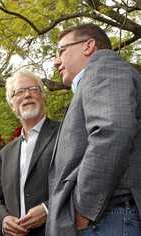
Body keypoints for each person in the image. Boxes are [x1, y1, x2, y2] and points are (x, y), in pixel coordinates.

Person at [47, 23, 141, 236]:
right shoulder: (96, 78)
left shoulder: (103, 67)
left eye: (61, 51)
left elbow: (112, 131)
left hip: (107, 219)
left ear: (88, 46)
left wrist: (84, 211)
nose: (55, 61)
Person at [0, 70, 60, 236]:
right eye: (19, 92)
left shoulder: (65, 132)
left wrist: (48, 208)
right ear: (12, 105)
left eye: (33, 89)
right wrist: (4, 221)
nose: (27, 95)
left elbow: (80, 182)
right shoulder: (4, 154)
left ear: (43, 97)